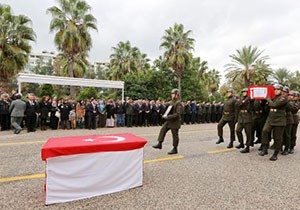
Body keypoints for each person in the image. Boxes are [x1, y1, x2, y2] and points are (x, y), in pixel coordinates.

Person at [259, 84, 288, 161]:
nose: (276, 91)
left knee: (277, 137)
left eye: (278, 90)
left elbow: (274, 105)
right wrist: (264, 102)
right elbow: (267, 108)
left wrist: (268, 99)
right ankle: (264, 148)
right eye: (275, 89)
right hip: (271, 118)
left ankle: (275, 153)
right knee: (265, 131)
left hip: (279, 120)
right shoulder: (273, 98)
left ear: (281, 91)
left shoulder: (283, 98)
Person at [152, 88, 183, 155]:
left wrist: (168, 117)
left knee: (175, 135)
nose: (172, 95)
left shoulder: (178, 103)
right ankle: (159, 143)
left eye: (173, 94)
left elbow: (177, 114)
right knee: (163, 129)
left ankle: (175, 148)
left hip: (175, 122)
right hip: (169, 121)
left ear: (176, 95)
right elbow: (168, 109)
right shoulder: (172, 102)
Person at [235, 88, 253, 153]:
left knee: (248, 133)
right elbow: (237, 105)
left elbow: (249, 107)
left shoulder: (251, 100)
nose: (244, 93)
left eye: (245, 92)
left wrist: (245, 101)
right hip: (241, 117)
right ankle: (241, 143)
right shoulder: (241, 99)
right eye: (243, 92)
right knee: (238, 130)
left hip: (248, 118)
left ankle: (247, 147)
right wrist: (243, 102)